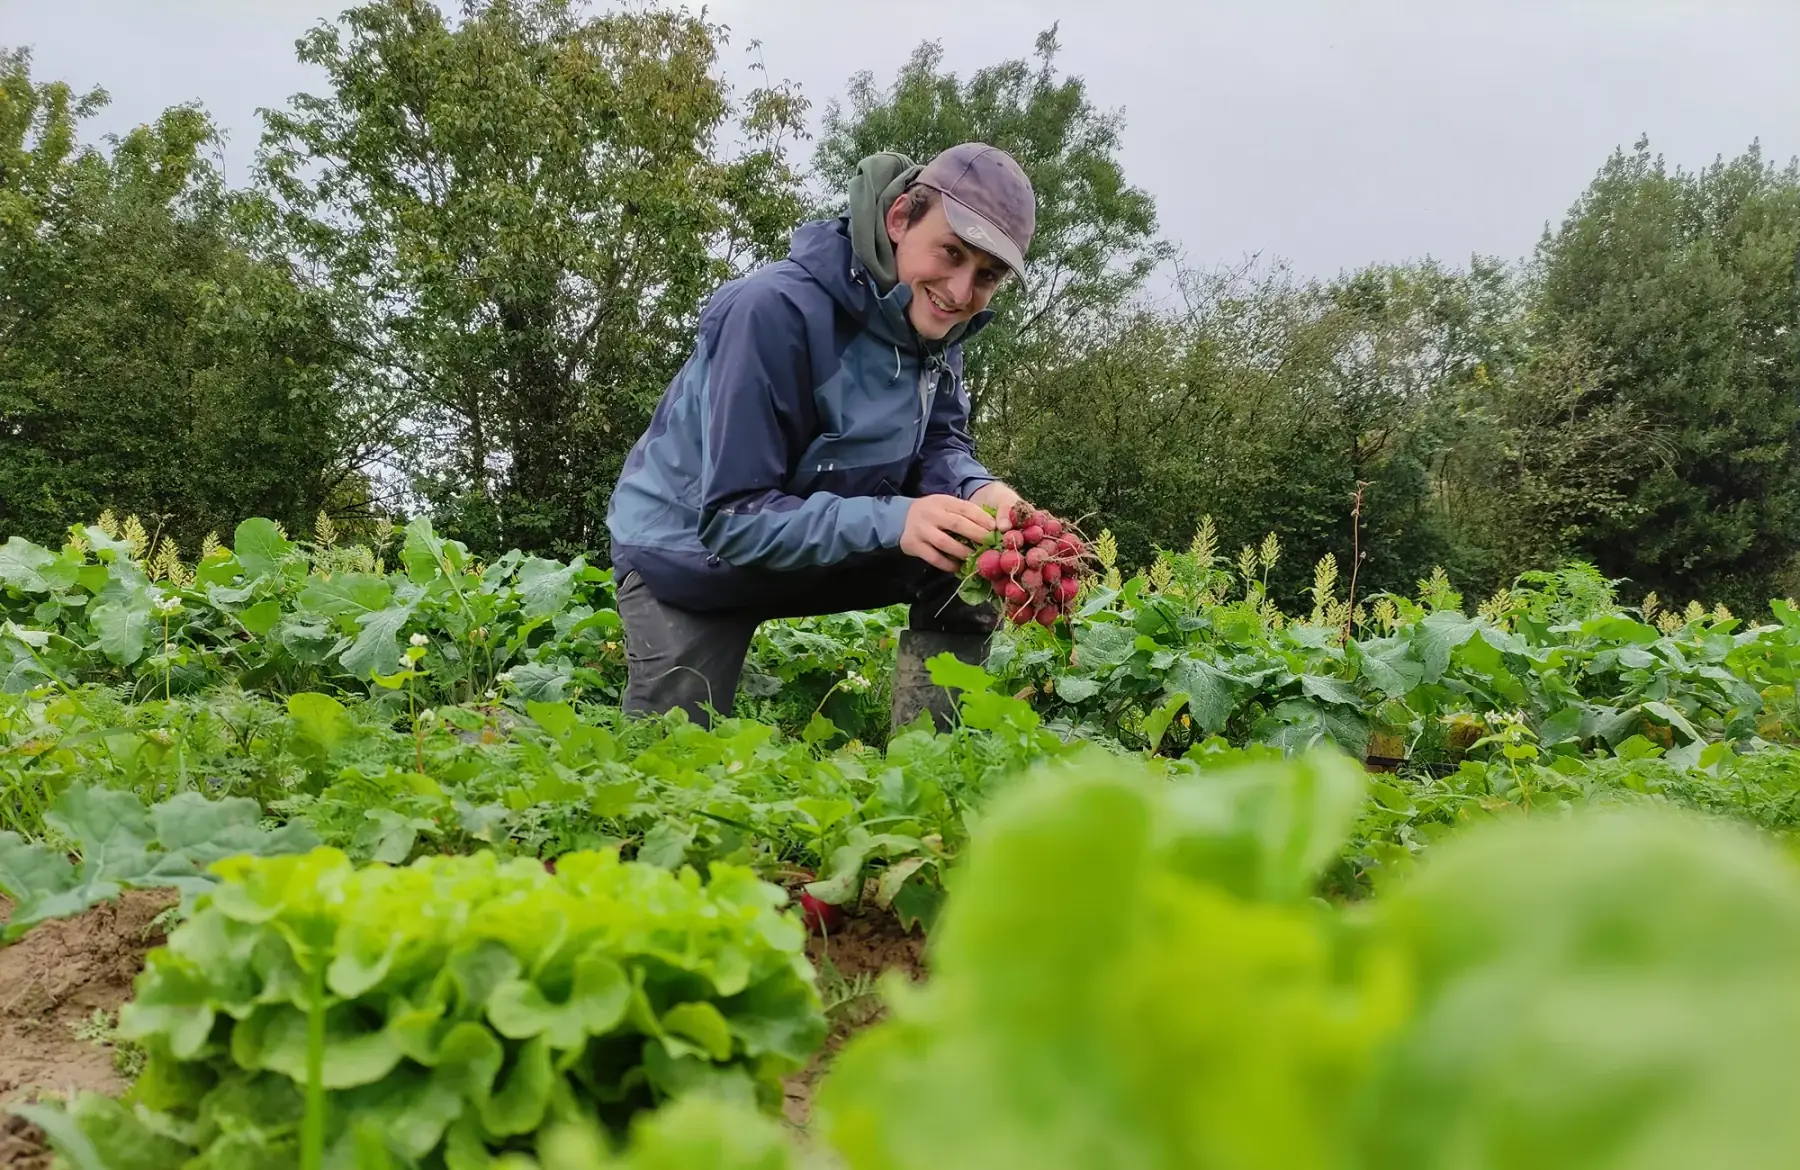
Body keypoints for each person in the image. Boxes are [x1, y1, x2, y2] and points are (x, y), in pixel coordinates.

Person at [604, 142, 1037, 727]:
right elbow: (733, 516)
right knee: (674, 758)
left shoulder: (937, 326)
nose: (960, 293)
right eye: (950, 253)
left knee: (968, 552)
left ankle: (934, 761)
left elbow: (939, 445)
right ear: (900, 218)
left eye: (986, 276)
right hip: (690, 552)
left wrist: (977, 490)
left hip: (818, 530)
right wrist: (896, 520)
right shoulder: (771, 312)